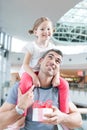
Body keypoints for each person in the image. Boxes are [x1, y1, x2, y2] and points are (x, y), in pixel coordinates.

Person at [0, 49, 82, 130]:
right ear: (40, 61)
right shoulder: (20, 88)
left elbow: (78, 121)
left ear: (58, 69)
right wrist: (19, 109)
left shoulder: (60, 91)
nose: (53, 62)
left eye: (58, 61)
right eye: (50, 57)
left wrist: (63, 117)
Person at [19, 16, 69, 113]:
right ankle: (22, 114)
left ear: (52, 31)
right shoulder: (32, 46)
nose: (46, 31)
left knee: (64, 84)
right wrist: (34, 76)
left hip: (44, 73)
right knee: (25, 83)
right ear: (35, 32)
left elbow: (56, 65)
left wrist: (56, 77)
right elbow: (25, 65)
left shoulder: (52, 47)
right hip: (30, 72)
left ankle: (64, 113)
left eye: (49, 29)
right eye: (42, 29)